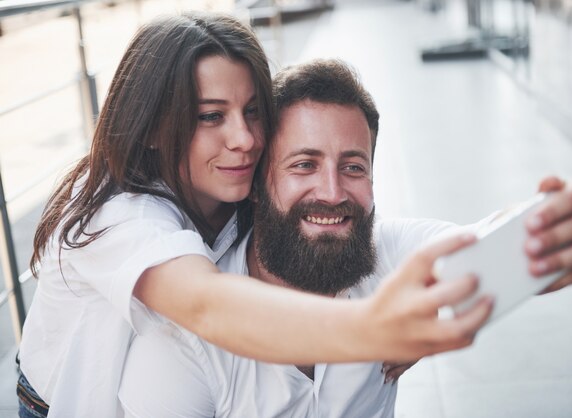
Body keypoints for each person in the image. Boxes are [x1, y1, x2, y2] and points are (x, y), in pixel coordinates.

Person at [15, 12, 511, 418]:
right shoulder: (120, 216)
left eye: (252, 112)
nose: (246, 138)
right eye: (211, 116)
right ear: (152, 127)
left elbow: (478, 247)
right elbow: (208, 305)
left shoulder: (237, 197)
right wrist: (380, 328)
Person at [117, 58, 572, 417]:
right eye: (304, 165)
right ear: (256, 184)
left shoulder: (391, 254)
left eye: (353, 167)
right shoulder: (179, 343)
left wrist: (571, 221)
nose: (332, 192)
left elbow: (497, 246)